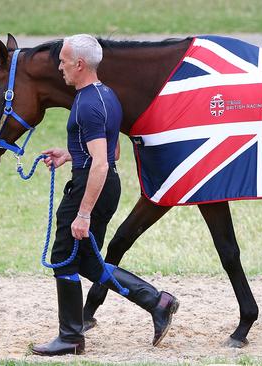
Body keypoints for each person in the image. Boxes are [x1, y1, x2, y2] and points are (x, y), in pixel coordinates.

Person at [31, 34, 179, 356]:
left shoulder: (86, 105)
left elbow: (100, 163)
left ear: (80, 64)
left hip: (91, 186)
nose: (60, 68)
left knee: (64, 257)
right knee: (87, 261)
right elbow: (112, 152)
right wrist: (69, 155)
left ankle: (70, 337)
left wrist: (83, 213)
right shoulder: (107, 95)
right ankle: (158, 301)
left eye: (64, 62)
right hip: (104, 183)